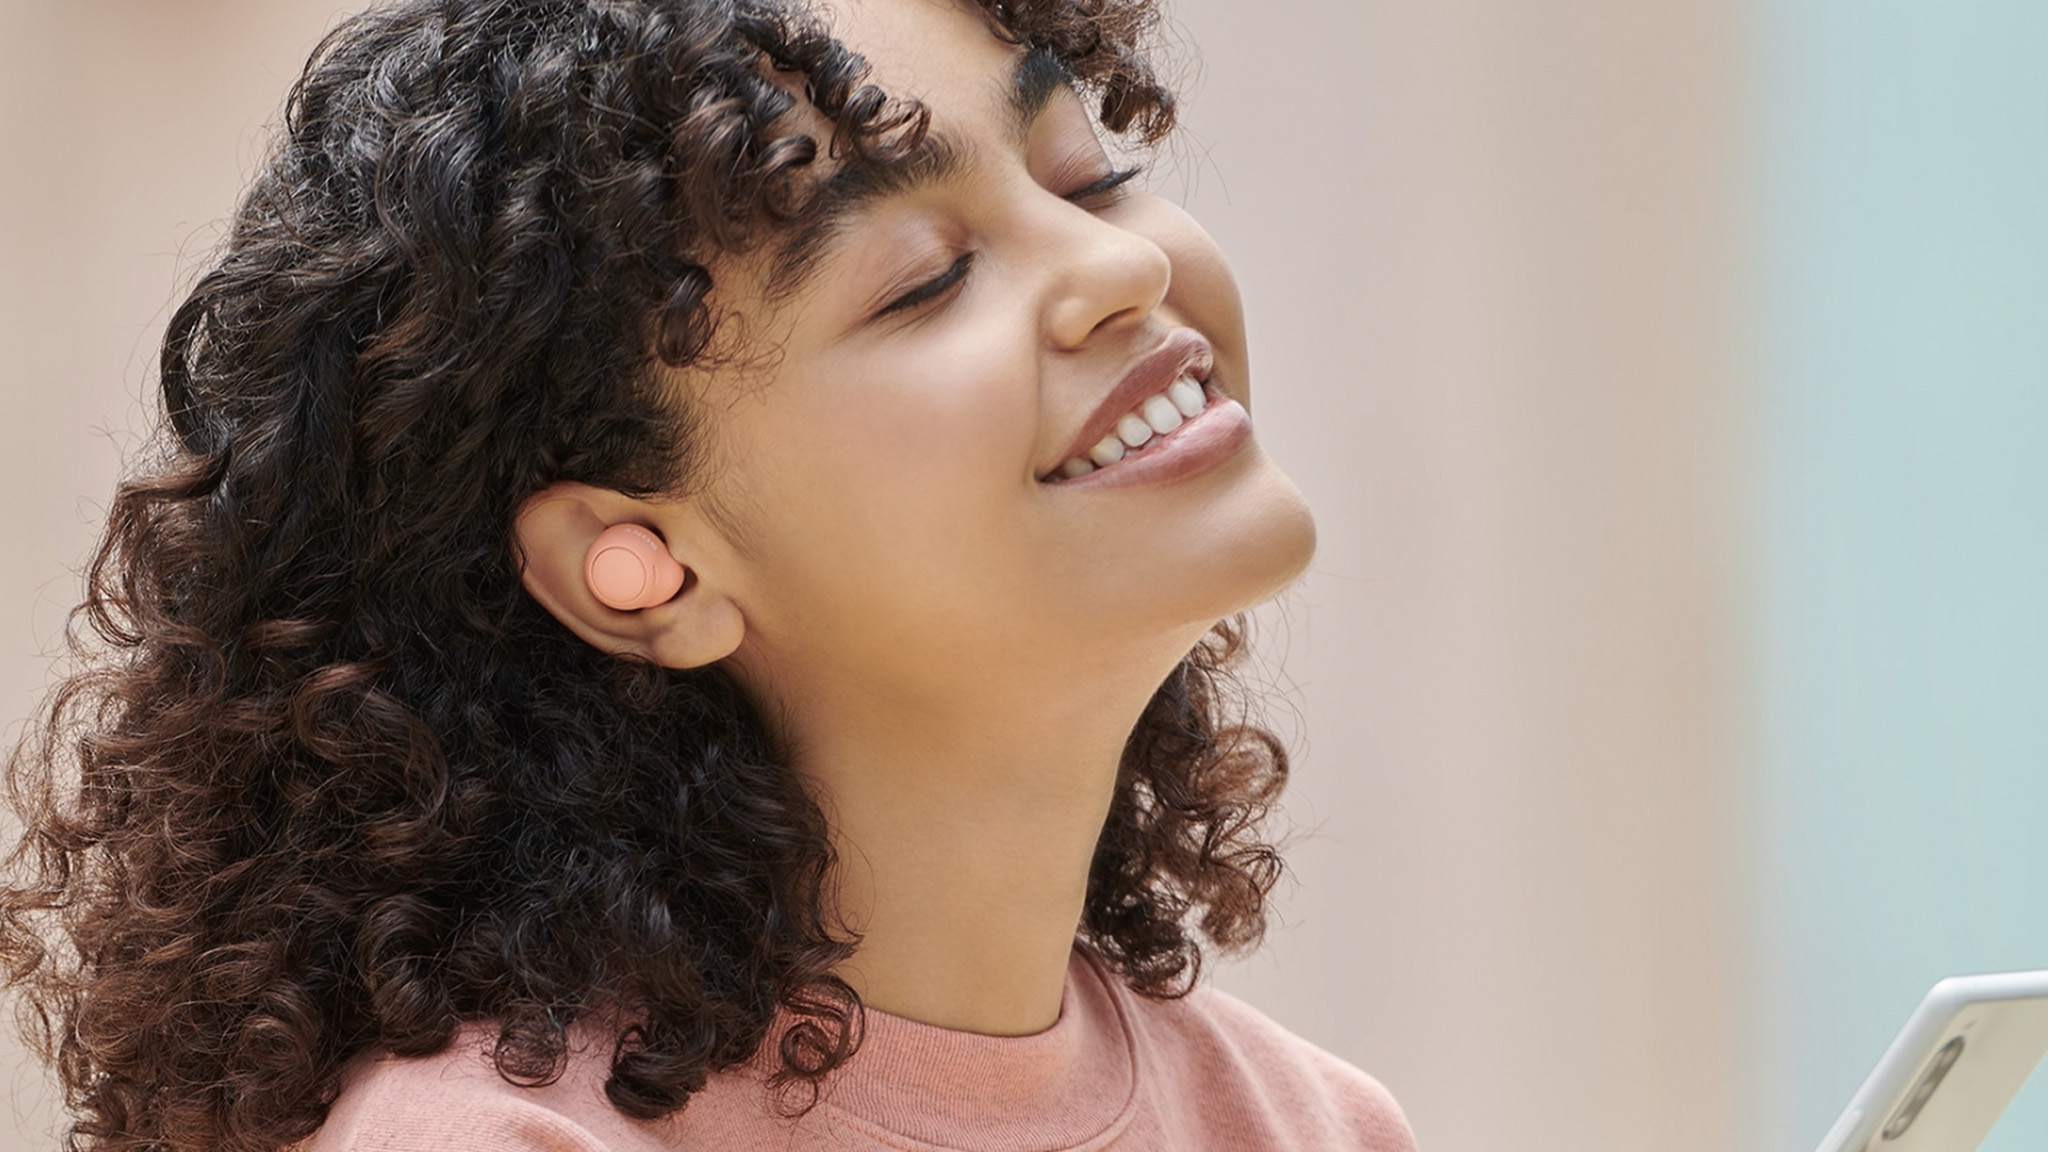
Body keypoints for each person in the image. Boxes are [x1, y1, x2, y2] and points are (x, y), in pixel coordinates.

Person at [0, 0, 1417, 1149]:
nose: (1115, 265)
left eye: (1086, 175)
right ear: (643, 569)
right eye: (924, 278)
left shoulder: (1314, 1127)